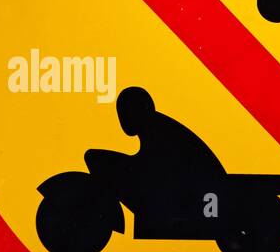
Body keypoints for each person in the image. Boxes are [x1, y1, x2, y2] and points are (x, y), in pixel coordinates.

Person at [85, 87, 224, 214]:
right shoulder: (159, 127)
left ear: (142, 109)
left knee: (96, 159)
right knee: (97, 159)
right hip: (185, 190)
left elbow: (154, 168)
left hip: (187, 192)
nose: (123, 118)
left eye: (127, 111)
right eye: (121, 112)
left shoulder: (159, 130)